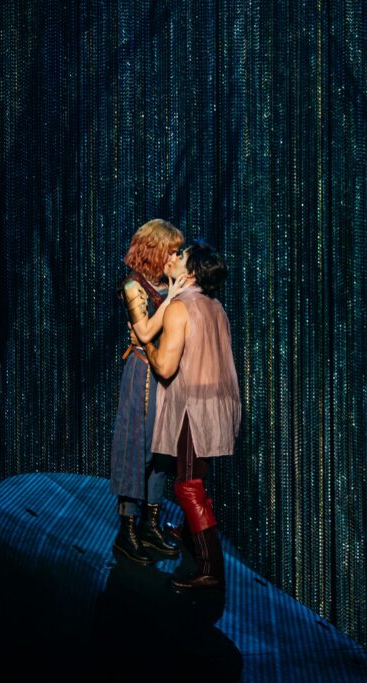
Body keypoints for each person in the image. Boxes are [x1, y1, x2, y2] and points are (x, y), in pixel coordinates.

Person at [141, 240, 240, 590]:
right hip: (217, 405)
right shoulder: (216, 307)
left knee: (186, 485)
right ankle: (186, 534)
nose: (173, 257)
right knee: (195, 476)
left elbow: (166, 367)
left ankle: (210, 568)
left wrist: (145, 343)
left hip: (192, 409)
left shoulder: (179, 308)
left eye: (180, 256)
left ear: (192, 272)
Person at [110, 219, 192, 565]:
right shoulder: (133, 285)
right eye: (170, 250)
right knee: (137, 448)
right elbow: (143, 333)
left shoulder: (169, 282)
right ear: (155, 251)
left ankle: (151, 524)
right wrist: (172, 299)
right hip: (143, 373)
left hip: (167, 373)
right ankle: (127, 530)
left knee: (162, 451)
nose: (174, 256)